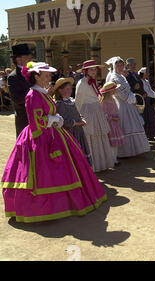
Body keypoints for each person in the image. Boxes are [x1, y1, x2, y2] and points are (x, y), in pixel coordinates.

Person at [1, 62, 107, 223]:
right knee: (45, 172)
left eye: (49, 75)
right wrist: (54, 119)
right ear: (36, 77)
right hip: (40, 138)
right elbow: (36, 122)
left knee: (66, 167)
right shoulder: (32, 95)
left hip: (52, 133)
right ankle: (45, 207)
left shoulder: (42, 93)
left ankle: (65, 203)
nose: (49, 78)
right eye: (46, 76)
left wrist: (56, 119)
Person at [75, 60, 115, 172]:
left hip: (96, 110)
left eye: (95, 69)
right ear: (85, 71)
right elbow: (78, 101)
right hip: (88, 111)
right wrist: (78, 116)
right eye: (91, 69)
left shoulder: (93, 82)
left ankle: (101, 163)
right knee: (90, 137)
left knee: (99, 135)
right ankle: (92, 166)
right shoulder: (82, 83)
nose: (94, 71)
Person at [105, 56, 150, 157]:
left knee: (132, 125)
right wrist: (133, 98)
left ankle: (134, 150)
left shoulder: (121, 76)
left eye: (122, 65)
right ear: (114, 66)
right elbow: (121, 94)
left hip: (129, 104)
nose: (120, 67)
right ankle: (123, 152)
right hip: (122, 104)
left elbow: (127, 91)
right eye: (118, 65)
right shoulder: (114, 78)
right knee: (125, 126)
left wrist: (132, 98)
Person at [53, 77, 92, 166]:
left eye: (71, 88)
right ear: (60, 90)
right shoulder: (59, 104)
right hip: (70, 134)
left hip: (78, 132)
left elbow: (77, 113)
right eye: (67, 89)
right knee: (73, 154)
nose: (70, 91)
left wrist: (82, 118)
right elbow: (65, 122)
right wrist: (78, 123)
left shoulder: (71, 101)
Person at [7, 44, 33, 137]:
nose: (30, 58)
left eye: (30, 56)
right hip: (24, 119)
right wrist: (35, 93)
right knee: (25, 149)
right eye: (27, 57)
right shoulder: (13, 77)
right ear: (18, 59)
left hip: (37, 118)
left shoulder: (33, 72)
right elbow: (17, 99)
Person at [99, 82, 125, 166]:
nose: (115, 90)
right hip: (110, 125)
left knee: (115, 144)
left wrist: (117, 117)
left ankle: (115, 159)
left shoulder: (113, 99)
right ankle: (111, 160)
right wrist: (113, 118)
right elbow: (104, 115)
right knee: (111, 144)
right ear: (110, 91)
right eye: (114, 89)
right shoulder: (105, 102)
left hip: (115, 124)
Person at [138, 67, 155, 140]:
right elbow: (146, 91)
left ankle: (151, 135)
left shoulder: (146, 81)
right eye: (147, 72)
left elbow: (150, 90)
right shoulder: (141, 81)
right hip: (145, 100)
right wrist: (154, 95)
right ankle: (146, 135)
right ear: (143, 73)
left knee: (151, 117)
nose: (148, 74)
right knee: (146, 117)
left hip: (149, 99)